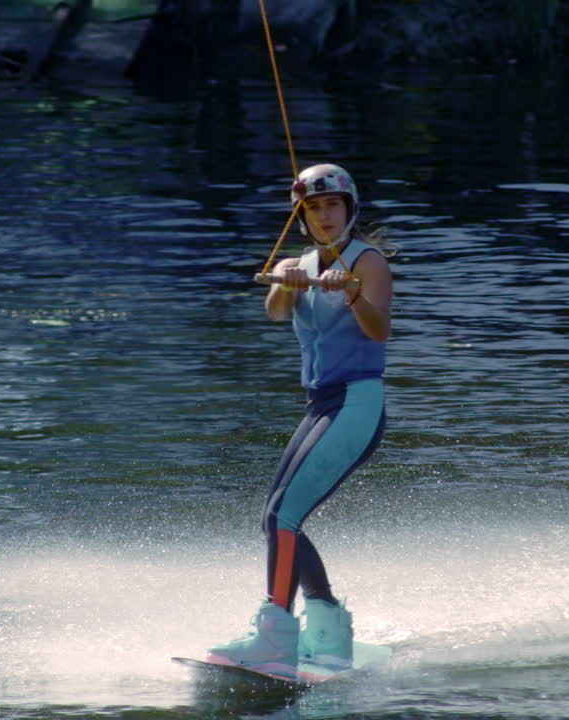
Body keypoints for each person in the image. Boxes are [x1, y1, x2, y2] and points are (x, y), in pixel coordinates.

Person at [207, 163, 393, 674]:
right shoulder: (299, 262)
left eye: (333, 205)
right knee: (276, 516)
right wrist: (289, 280)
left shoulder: (367, 261)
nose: (325, 216)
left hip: (358, 401)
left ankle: (274, 635)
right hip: (321, 404)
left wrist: (351, 291)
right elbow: (274, 310)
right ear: (301, 216)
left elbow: (378, 332)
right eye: (313, 209)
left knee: (281, 517)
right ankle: (329, 631)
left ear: (349, 209)